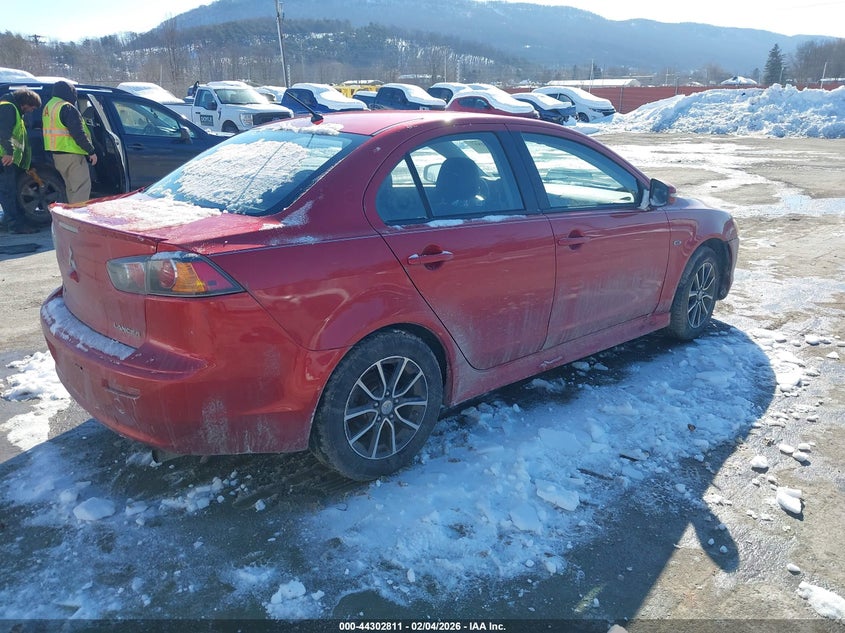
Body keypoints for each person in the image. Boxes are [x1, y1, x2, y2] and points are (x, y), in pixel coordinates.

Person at [42, 80, 98, 204]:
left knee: (72, 188)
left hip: (57, 154)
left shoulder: (49, 106)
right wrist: (91, 151)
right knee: (81, 188)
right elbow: (78, 134)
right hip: (72, 154)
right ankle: (77, 218)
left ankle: (71, 213)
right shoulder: (67, 107)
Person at [0, 88, 42, 233]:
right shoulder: (8, 107)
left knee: (7, 192)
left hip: (6, 158)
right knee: (8, 192)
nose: (31, 111)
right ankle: (15, 226)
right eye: (32, 107)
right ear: (25, 102)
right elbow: (3, 132)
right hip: (4, 158)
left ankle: (9, 221)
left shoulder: (12, 108)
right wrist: (9, 153)